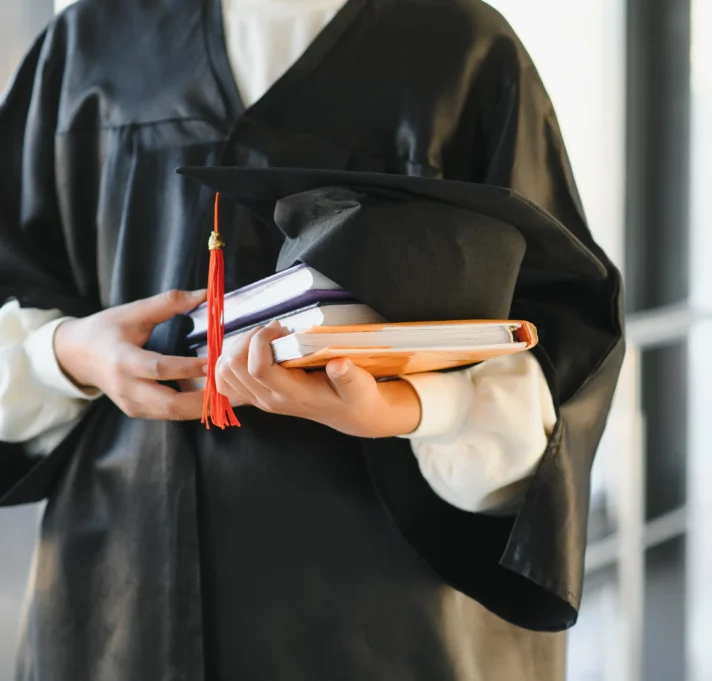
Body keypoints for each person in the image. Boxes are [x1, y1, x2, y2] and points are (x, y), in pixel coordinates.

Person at [0, 0, 624, 679]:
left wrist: (414, 406)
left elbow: (553, 338)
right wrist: (65, 353)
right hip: (124, 597)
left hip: (391, 613)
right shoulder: (91, 40)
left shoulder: (458, 47)